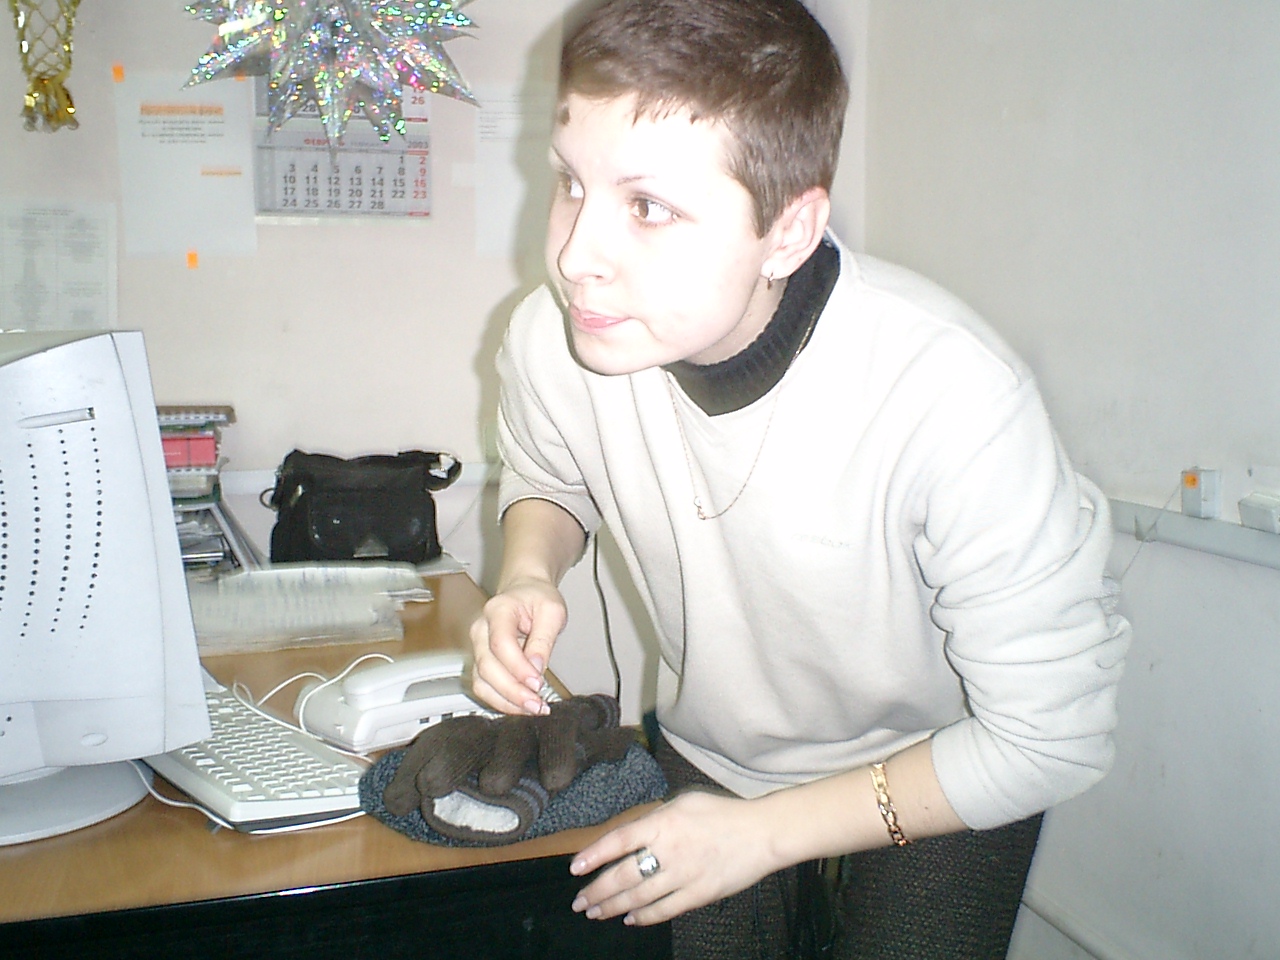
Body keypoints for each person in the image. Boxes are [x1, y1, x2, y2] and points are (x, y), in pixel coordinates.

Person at [468, 0, 1132, 956]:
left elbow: (1047, 739)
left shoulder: (952, 394)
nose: (575, 257)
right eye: (571, 183)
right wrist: (530, 571)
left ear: (787, 232)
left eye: (647, 207)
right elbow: (548, 472)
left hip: (938, 765)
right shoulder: (553, 338)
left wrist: (766, 836)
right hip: (717, 753)